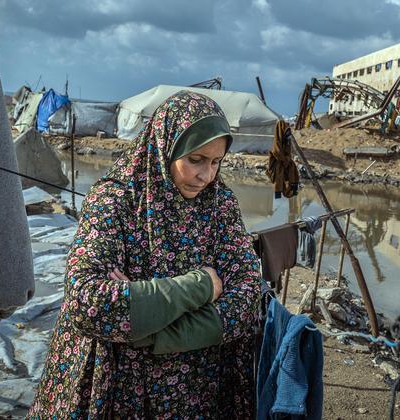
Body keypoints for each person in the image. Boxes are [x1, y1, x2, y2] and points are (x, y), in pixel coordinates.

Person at [29, 91, 261, 418]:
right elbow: (87, 302)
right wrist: (203, 286)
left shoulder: (219, 204)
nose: (206, 176)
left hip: (195, 390)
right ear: (166, 146)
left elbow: (248, 295)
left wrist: (150, 328)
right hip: (116, 384)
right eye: (195, 159)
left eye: (215, 162)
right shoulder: (115, 200)